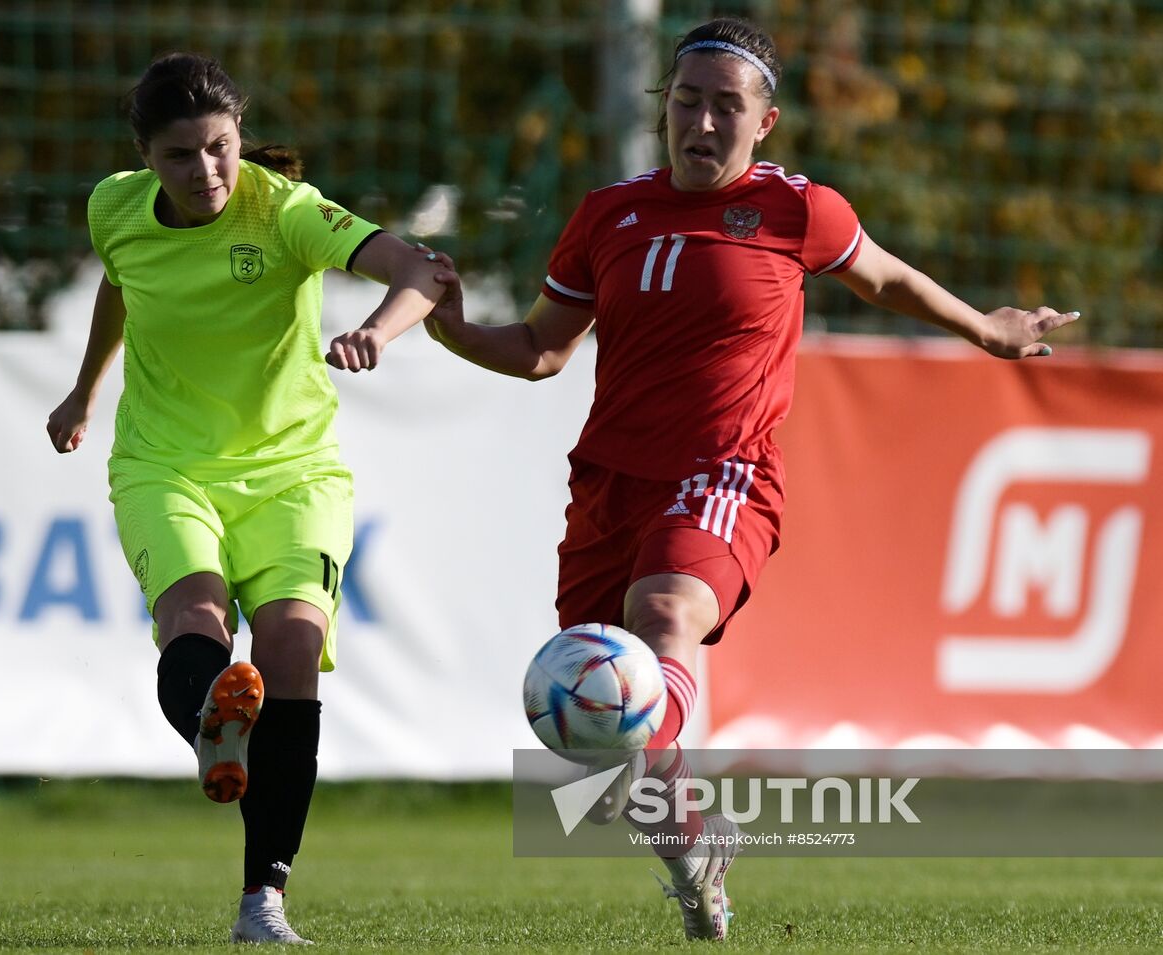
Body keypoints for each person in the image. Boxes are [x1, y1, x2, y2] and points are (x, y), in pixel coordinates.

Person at [420, 17, 1077, 943]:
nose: (702, 121)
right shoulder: (608, 213)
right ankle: (694, 851)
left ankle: (664, 766)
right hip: (610, 483)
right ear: (665, 109)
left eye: (727, 106)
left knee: (658, 627)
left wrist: (987, 327)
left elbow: (885, 281)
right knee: (618, 744)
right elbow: (539, 349)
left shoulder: (797, 210)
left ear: (764, 122)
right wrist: (450, 325)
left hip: (725, 472)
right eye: (686, 100)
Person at [45, 52, 446, 945]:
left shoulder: (286, 211)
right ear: (145, 156)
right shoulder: (113, 206)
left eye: (220, 149)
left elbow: (419, 269)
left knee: (293, 649)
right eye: (181, 156)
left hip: (294, 472)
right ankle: (214, 723)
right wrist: (85, 392)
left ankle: (262, 897)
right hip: (165, 463)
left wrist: (376, 330)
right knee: (195, 621)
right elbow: (121, 286)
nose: (206, 173)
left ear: (241, 138)